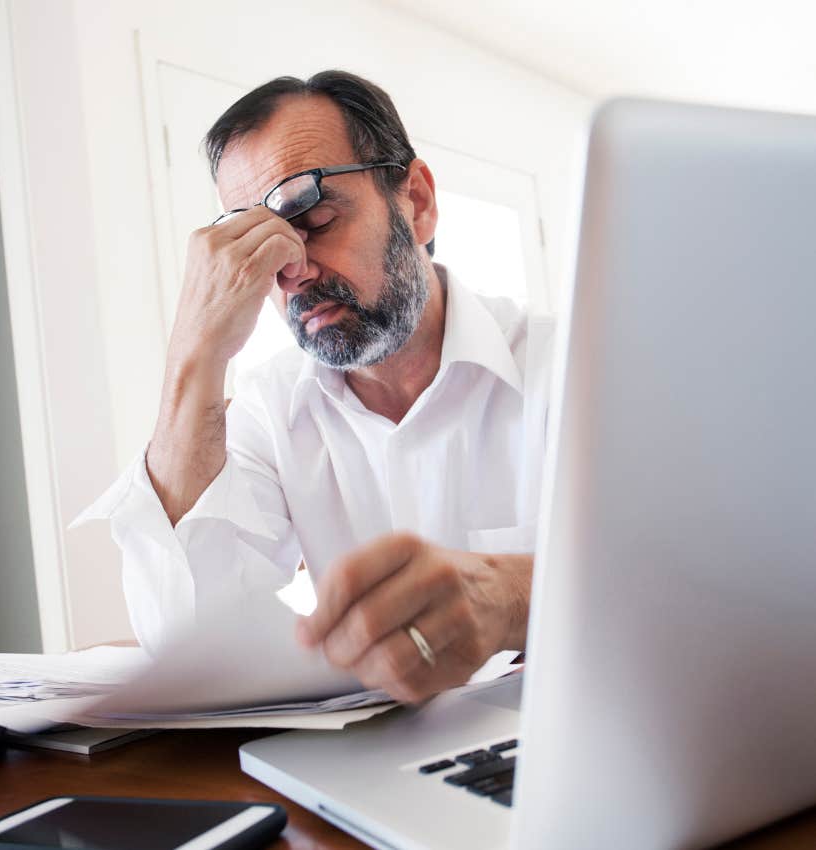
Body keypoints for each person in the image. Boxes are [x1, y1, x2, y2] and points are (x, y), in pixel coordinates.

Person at [78, 70, 553, 703]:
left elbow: (701, 586)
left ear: (416, 200)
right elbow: (192, 635)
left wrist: (514, 595)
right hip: (369, 770)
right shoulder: (268, 412)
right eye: (257, 246)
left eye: (317, 218)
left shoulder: (578, 365)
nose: (292, 270)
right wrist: (194, 351)